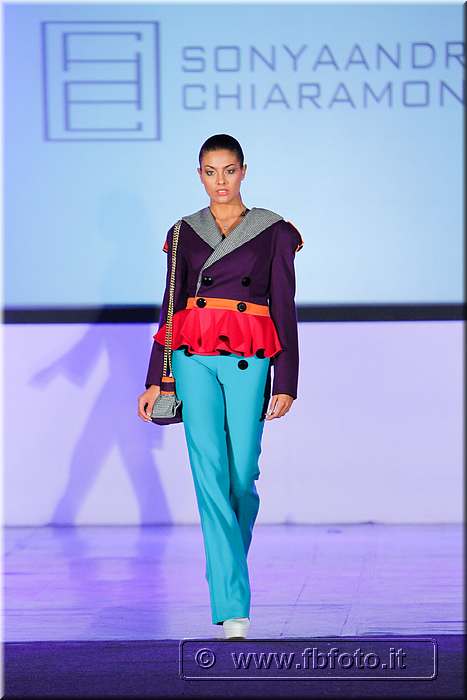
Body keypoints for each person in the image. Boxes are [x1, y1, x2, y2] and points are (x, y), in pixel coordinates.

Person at [137, 134, 304, 640]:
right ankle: (233, 606)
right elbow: (170, 306)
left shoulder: (273, 231)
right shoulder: (183, 232)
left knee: (242, 475)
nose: (220, 181)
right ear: (200, 175)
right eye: (210, 172)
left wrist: (287, 378)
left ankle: (225, 566)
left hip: (250, 358)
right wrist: (155, 377)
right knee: (208, 475)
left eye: (229, 170)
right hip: (192, 358)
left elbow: (284, 306)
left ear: (243, 171)